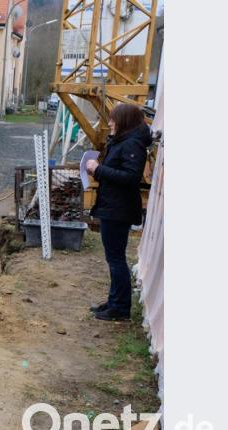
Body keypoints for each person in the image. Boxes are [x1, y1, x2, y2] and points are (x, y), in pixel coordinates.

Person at [86, 103, 151, 322]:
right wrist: (98, 171)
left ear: (124, 121)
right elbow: (118, 172)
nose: (110, 122)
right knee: (113, 257)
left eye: (113, 119)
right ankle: (114, 301)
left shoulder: (132, 144)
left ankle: (120, 308)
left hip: (118, 209)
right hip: (113, 206)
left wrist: (99, 169)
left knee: (116, 259)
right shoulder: (123, 141)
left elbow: (131, 177)